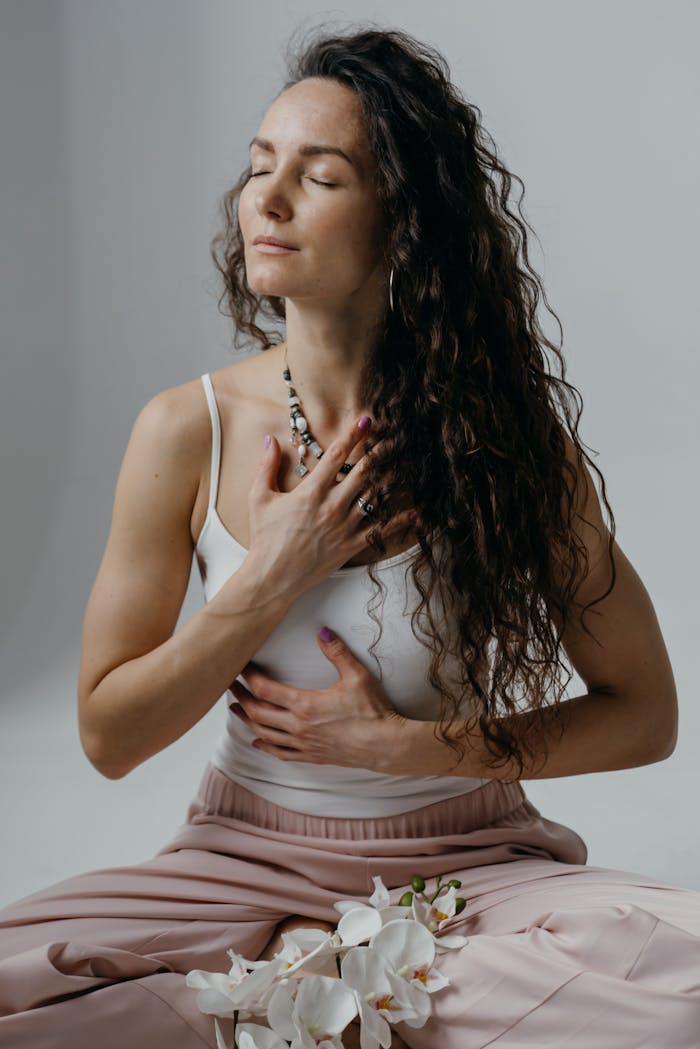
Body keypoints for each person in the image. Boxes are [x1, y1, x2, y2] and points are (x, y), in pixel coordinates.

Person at [1, 23, 698, 1049]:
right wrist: (272, 574)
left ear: (403, 222)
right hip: (239, 859)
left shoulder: (506, 444)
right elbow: (111, 735)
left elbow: (644, 712)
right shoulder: (185, 427)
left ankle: (331, 990)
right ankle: (321, 977)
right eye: (256, 168)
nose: (265, 202)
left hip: (469, 861)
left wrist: (412, 750)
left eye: (317, 177)